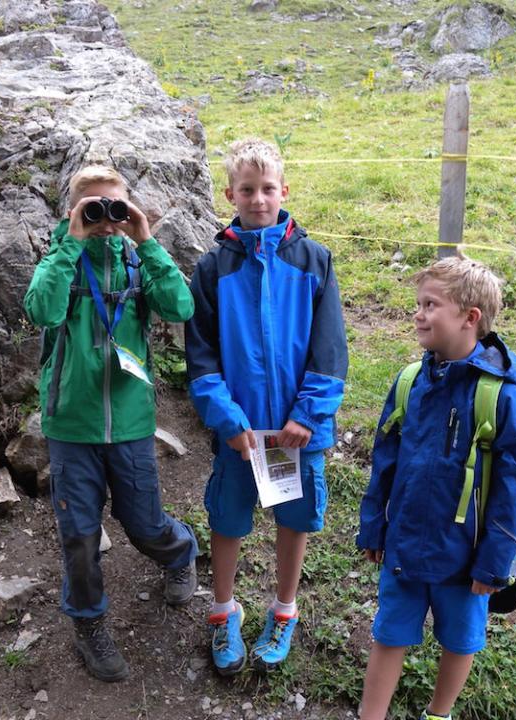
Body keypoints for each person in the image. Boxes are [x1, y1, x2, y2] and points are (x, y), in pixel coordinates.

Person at [24, 165, 199, 682]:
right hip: (71, 425)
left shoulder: (137, 261)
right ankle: (88, 624)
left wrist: (146, 241)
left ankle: (179, 553)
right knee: (78, 535)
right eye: (91, 209)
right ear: (73, 211)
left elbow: (180, 306)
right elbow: (42, 311)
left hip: (128, 420)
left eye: (114, 208)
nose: (105, 219)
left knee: (144, 522)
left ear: (129, 209)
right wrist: (70, 244)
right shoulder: (62, 259)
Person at [185, 138, 348, 675]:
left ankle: (284, 610)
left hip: (297, 435)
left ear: (285, 190)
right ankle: (222, 611)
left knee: (293, 518)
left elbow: (329, 348)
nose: (258, 199)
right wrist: (229, 422)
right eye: (247, 190)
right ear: (229, 193)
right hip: (242, 435)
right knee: (228, 519)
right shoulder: (212, 269)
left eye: (268, 189)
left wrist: (306, 415)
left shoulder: (315, 260)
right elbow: (202, 355)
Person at [356, 257, 516, 720]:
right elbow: (385, 461)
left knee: (460, 638)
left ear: (469, 317)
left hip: (466, 556)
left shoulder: (499, 394)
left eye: (430, 304)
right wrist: (374, 526)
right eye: (418, 303)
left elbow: (514, 486)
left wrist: (495, 560)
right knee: (389, 631)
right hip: (404, 544)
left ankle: (439, 714)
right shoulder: (409, 383)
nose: (418, 313)